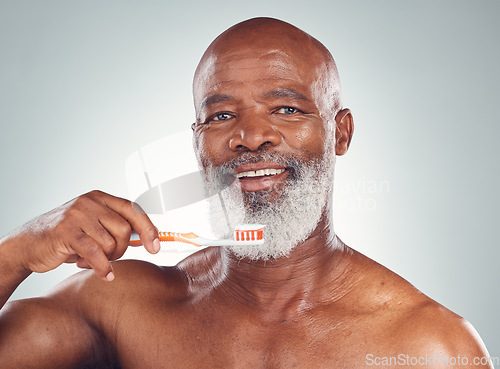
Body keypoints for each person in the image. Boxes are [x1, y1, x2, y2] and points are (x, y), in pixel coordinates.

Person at [0, 17, 492, 368]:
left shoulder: (430, 348)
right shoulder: (121, 308)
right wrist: (17, 252)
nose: (251, 137)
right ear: (198, 144)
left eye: (286, 110)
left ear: (340, 133)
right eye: (221, 116)